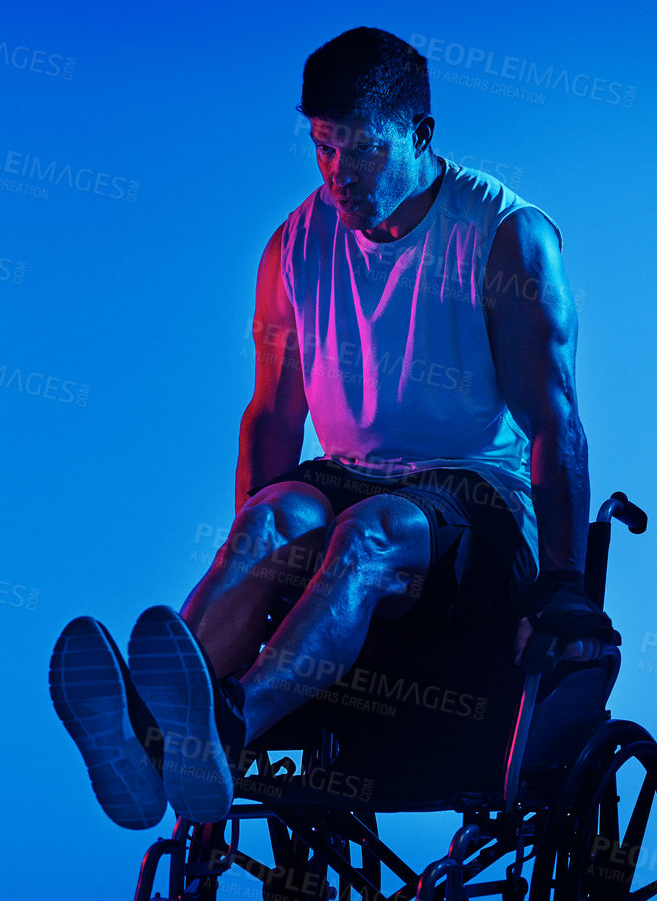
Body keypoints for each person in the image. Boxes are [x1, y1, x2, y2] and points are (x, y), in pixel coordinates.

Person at [49, 26, 615, 830]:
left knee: (371, 531)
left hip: (474, 497)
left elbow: (555, 421)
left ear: (419, 136)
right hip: (350, 473)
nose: (340, 176)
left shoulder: (502, 238)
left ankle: (231, 720)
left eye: (364, 152)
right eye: (323, 149)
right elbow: (274, 414)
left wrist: (563, 585)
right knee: (276, 517)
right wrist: (261, 560)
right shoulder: (293, 245)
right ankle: (152, 742)